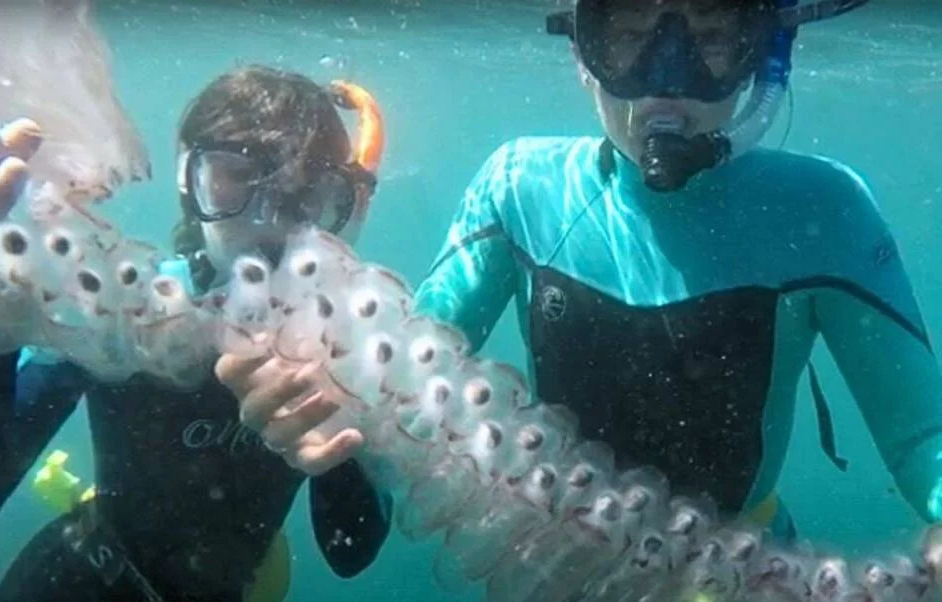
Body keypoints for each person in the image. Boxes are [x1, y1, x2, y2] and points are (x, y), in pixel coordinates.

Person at [220, 0, 942, 548]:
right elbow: (409, 374)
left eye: (713, 39)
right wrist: (340, 419)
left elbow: (921, 440)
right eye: (628, 36)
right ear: (582, 51)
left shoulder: (821, 206)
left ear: (765, 54)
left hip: (744, 568)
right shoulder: (519, 186)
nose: (667, 82)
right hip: (566, 566)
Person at [0, 65, 391, 601]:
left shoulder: (339, 351)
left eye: (306, 194)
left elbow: (351, 551)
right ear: (187, 181)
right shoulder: (131, 312)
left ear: (337, 205)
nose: (270, 222)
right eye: (236, 179)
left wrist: (349, 430)